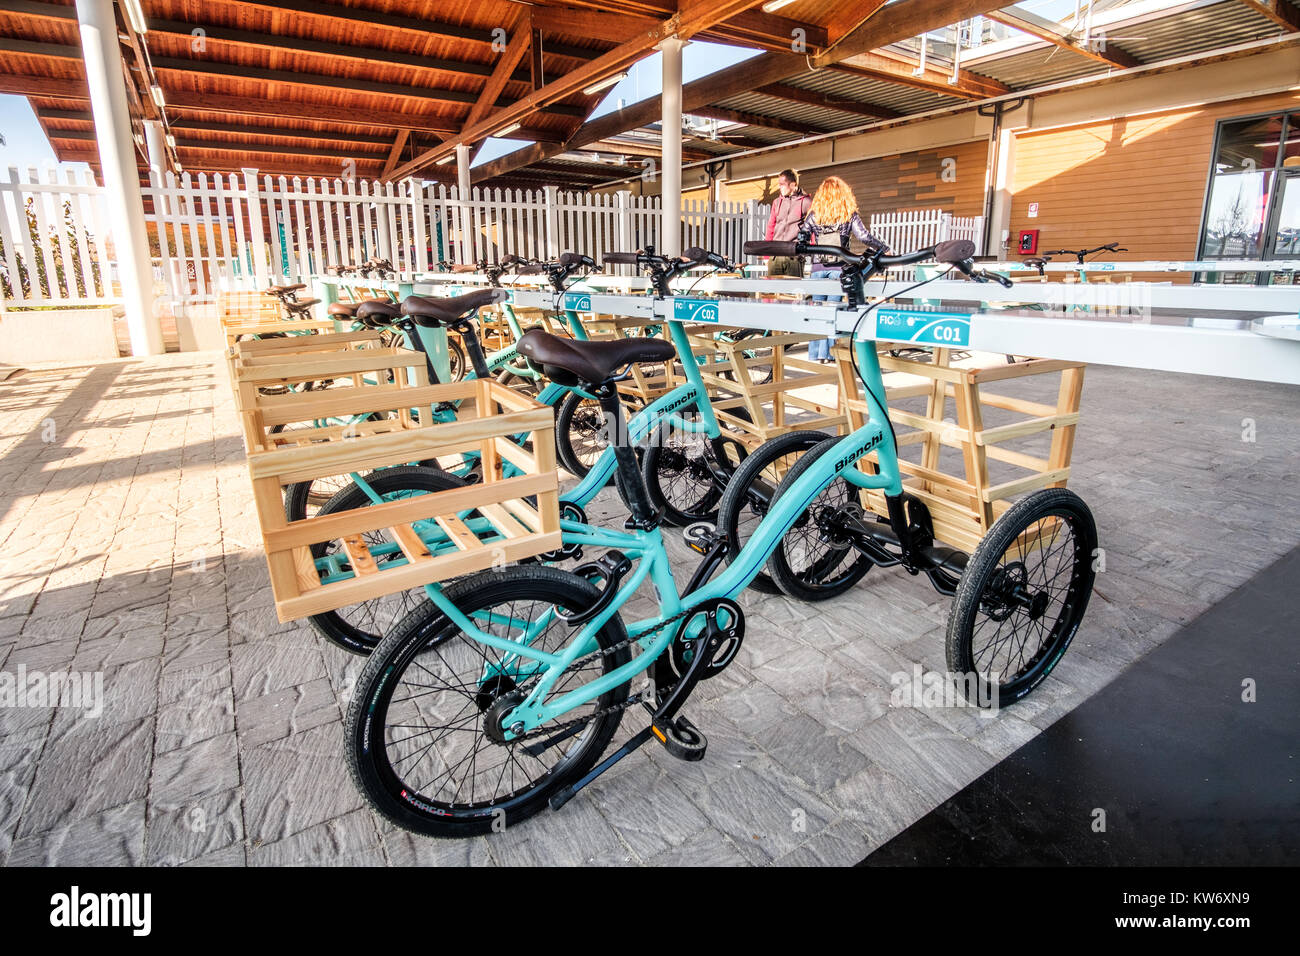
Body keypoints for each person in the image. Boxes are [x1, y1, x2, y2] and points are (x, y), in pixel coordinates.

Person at [801, 176, 888, 362]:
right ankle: (830, 353)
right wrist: (882, 248)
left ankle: (815, 353)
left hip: (817, 267)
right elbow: (863, 237)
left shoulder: (815, 214)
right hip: (838, 268)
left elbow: (803, 234)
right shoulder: (848, 213)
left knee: (817, 309)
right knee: (833, 311)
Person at [763, 169, 811, 278]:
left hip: (794, 257)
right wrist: (767, 256)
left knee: (792, 292)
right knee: (772, 291)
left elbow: (812, 230)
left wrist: (805, 252)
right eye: (779, 184)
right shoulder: (776, 202)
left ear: (793, 185)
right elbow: (770, 227)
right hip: (775, 256)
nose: (779, 187)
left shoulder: (806, 202)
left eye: (782, 184)